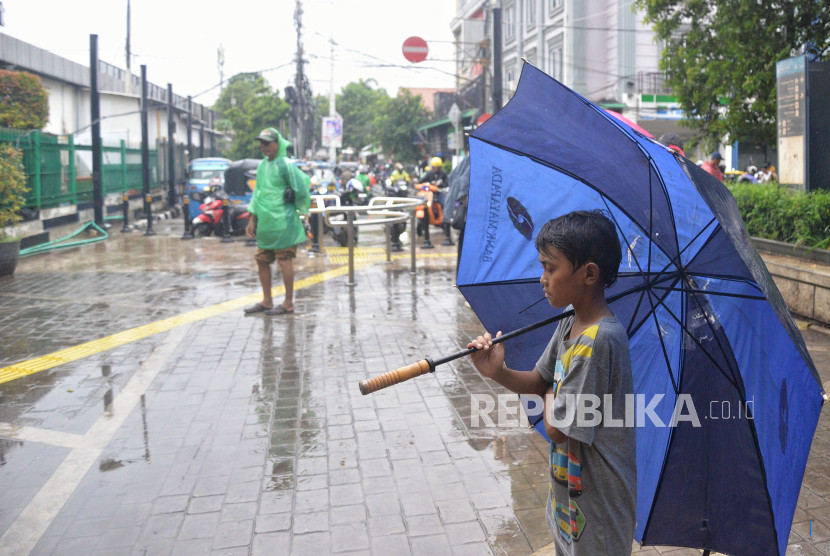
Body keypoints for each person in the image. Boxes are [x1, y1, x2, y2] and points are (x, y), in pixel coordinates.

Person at [468, 210, 636, 555]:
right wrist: (497, 371)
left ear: (589, 273)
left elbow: (559, 427)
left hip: (598, 512)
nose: (542, 278)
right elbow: (538, 380)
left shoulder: (600, 340)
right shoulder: (569, 321)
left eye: (550, 267)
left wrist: (548, 394)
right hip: (568, 502)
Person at [244, 127, 311, 316]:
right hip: (266, 224)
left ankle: (288, 303)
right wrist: (252, 219)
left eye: (267, 143)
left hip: (283, 222)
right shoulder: (262, 166)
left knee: (284, 259)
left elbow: (303, 186)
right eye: (261, 143)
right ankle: (267, 300)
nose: (263, 147)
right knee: (262, 260)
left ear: (277, 143)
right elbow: (257, 194)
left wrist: (294, 198)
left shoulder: (285, 165)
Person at [421, 156, 453, 245]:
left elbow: (447, 182)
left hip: (439, 194)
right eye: (434, 167)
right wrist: (425, 185)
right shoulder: (429, 174)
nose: (435, 169)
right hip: (430, 194)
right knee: (425, 207)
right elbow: (421, 182)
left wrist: (441, 184)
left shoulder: (443, 173)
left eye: (437, 167)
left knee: (444, 205)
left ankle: (445, 223)